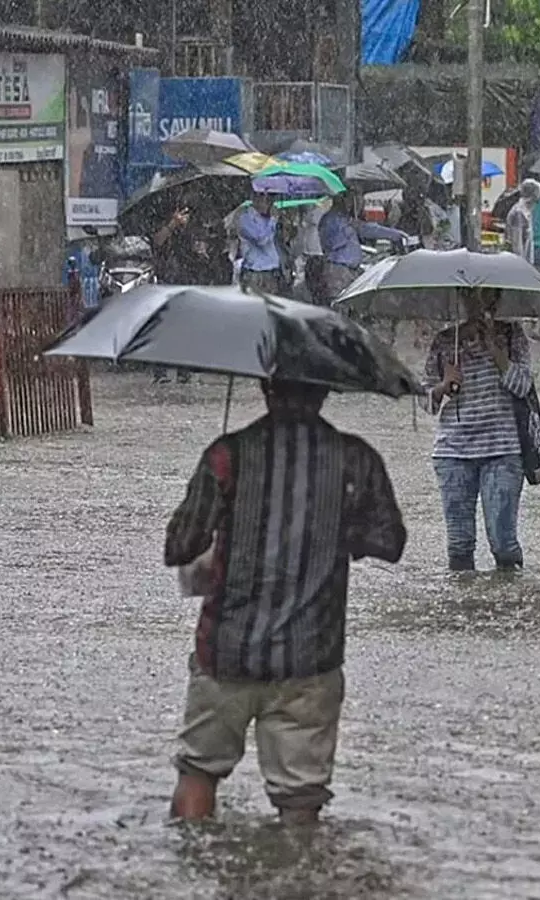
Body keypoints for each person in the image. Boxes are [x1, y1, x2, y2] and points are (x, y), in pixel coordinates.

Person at [164, 378, 406, 825]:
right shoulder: (355, 459)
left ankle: (190, 860)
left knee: (198, 771)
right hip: (310, 659)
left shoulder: (227, 456)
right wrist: (334, 530)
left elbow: (179, 546)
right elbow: (390, 542)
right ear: (326, 390)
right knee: (300, 799)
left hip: (226, 651)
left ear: (265, 386)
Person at [425, 288, 535, 571]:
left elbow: (523, 386)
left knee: (503, 543)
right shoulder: (445, 341)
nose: (483, 304)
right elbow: (424, 402)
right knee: (459, 545)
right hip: (453, 453)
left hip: (503, 450)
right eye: (474, 297)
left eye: (490, 297)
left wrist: (496, 351)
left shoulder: (511, 335)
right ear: (463, 299)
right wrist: (443, 385)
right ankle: (465, 597)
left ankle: (510, 594)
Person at [150, 200, 232, 384]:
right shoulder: (161, 218)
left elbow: (203, 248)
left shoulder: (196, 224)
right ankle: (161, 371)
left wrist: (202, 250)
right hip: (167, 277)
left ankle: (184, 370)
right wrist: (173, 224)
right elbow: (157, 241)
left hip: (189, 277)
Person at [319, 192, 408, 299]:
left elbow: (367, 229)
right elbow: (333, 244)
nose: (358, 203)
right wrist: (350, 227)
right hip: (338, 270)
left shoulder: (345, 219)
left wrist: (394, 234)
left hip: (350, 270)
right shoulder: (331, 220)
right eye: (354, 199)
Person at [237, 191, 284, 294]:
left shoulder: (267, 218)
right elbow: (261, 241)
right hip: (255, 273)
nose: (269, 202)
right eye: (265, 198)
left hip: (271, 271)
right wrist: (273, 220)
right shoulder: (246, 218)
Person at [296, 199, 330, 304]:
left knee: (316, 283)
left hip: (317, 253)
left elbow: (314, 219)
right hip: (309, 254)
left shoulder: (319, 212)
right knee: (310, 283)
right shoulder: (307, 215)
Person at [504, 179, 540, 263]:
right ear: (533, 198)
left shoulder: (525, 212)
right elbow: (517, 245)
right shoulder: (519, 213)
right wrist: (522, 265)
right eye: (537, 200)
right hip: (518, 263)